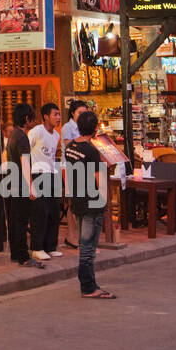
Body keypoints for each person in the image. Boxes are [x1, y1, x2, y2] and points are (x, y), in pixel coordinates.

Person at [64, 110, 115, 299]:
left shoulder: (70, 147)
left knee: (84, 244)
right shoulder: (91, 151)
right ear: (94, 129)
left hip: (77, 200)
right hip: (91, 202)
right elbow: (98, 178)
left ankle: (88, 284)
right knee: (88, 247)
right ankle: (88, 287)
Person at [3, 103, 41, 268]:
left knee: (14, 221)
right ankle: (23, 256)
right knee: (22, 222)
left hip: (12, 182)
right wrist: (31, 186)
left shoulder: (13, 135)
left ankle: (16, 254)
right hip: (20, 184)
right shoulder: (22, 137)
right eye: (32, 117)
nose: (34, 121)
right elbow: (25, 163)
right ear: (26, 119)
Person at [28, 103, 63, 261]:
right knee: (40, 213)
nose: (58, 117)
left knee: (54, 212)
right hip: (37, 174)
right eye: (55, 114)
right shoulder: (36, 131)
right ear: (46, 116)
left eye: (59, 114)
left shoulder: (56, 135)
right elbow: (25, 152)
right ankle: (37, 248)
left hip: (51, 174)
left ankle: (51, 247)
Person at [62, 100, 87, 248]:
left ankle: (76, 235)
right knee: (72, 202)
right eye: (80, 113)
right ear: (72, 113)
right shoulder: (68, 127)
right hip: (70, 167)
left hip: (82, 167)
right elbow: (69, 146)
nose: (83, 116)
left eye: (85, 113)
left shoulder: (83, 128)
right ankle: (71, 236)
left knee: (79, 202)